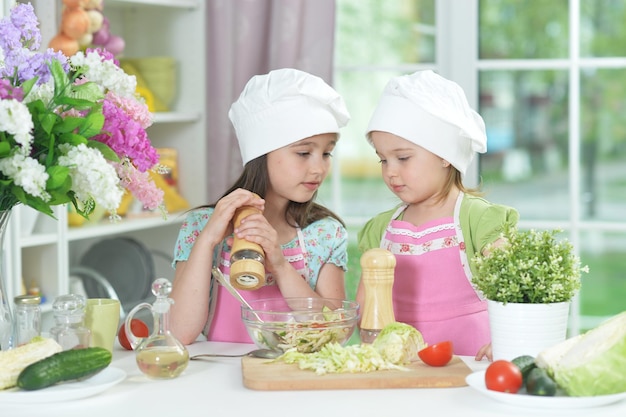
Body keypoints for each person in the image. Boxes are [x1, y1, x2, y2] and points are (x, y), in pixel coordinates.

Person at [169, 68, 351, 345]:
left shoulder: (325, 234)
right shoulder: (200, 225)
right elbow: (178, 333)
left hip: (294, 376)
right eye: (304, 153)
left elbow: (334, 332)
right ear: (260, 154)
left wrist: (279, 264)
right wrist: (207, 241)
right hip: (214, 379)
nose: (319, 168)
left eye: (326, 153)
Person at [356, 70, 519, 361]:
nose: (390, 171)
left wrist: (509, 339)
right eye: (383, 159)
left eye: (403, 158)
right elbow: (365, 311)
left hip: (472, 363)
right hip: (403, 367)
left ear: (445, 154)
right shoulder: (380, 229)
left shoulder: (478, 219)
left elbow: (513, 290)